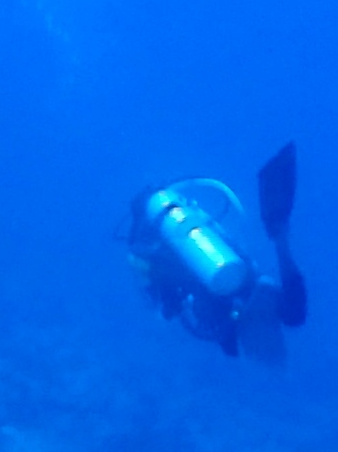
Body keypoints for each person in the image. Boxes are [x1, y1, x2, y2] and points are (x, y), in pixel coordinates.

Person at [128, 143, 308, 357]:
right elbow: (229, 237)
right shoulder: (190, 213)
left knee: (227, 328)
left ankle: (235, 323)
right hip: (238, 271)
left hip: (212, 300)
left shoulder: (142, 249)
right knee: (293, 315)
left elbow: (168, 307)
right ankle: (280, 239)